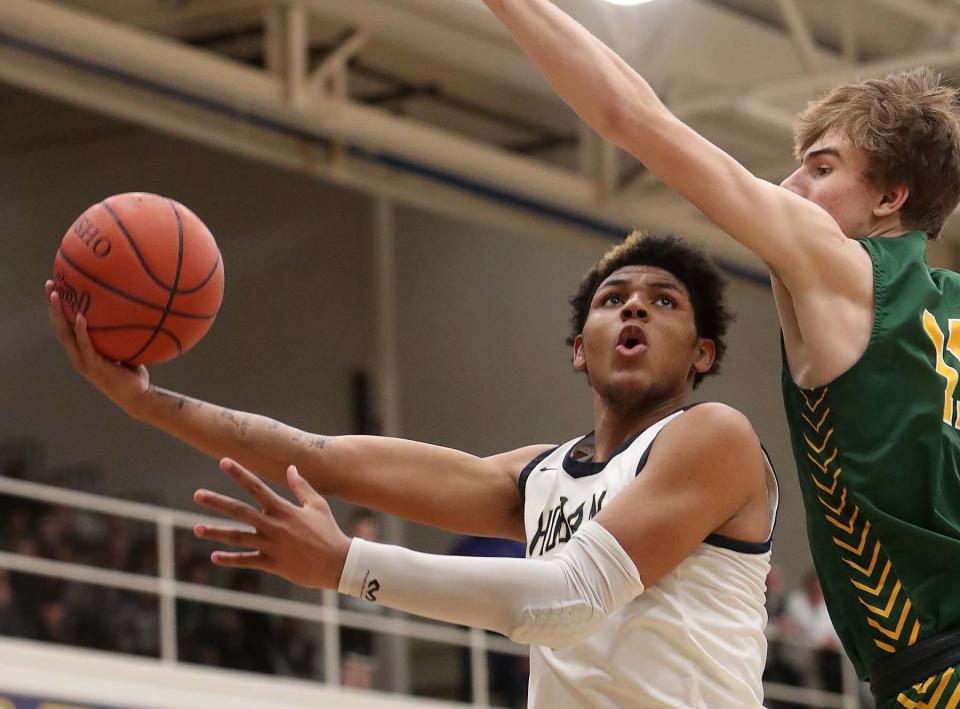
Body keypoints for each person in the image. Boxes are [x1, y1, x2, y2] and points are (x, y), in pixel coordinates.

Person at [47, 231, 779, 707]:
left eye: (664, 302)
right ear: (579, 347)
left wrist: (348, 563)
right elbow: (320, 458)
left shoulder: (713, 436)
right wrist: (146, 403)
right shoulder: (537, 477)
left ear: (702, 354)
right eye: (613, 299)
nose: (634, 311)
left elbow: (572, 595)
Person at [476, 3, 960, 707]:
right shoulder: (947, 304)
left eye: (821, 169)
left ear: (890, 197)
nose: (791, 189)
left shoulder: (845, 265)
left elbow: (630, 115)